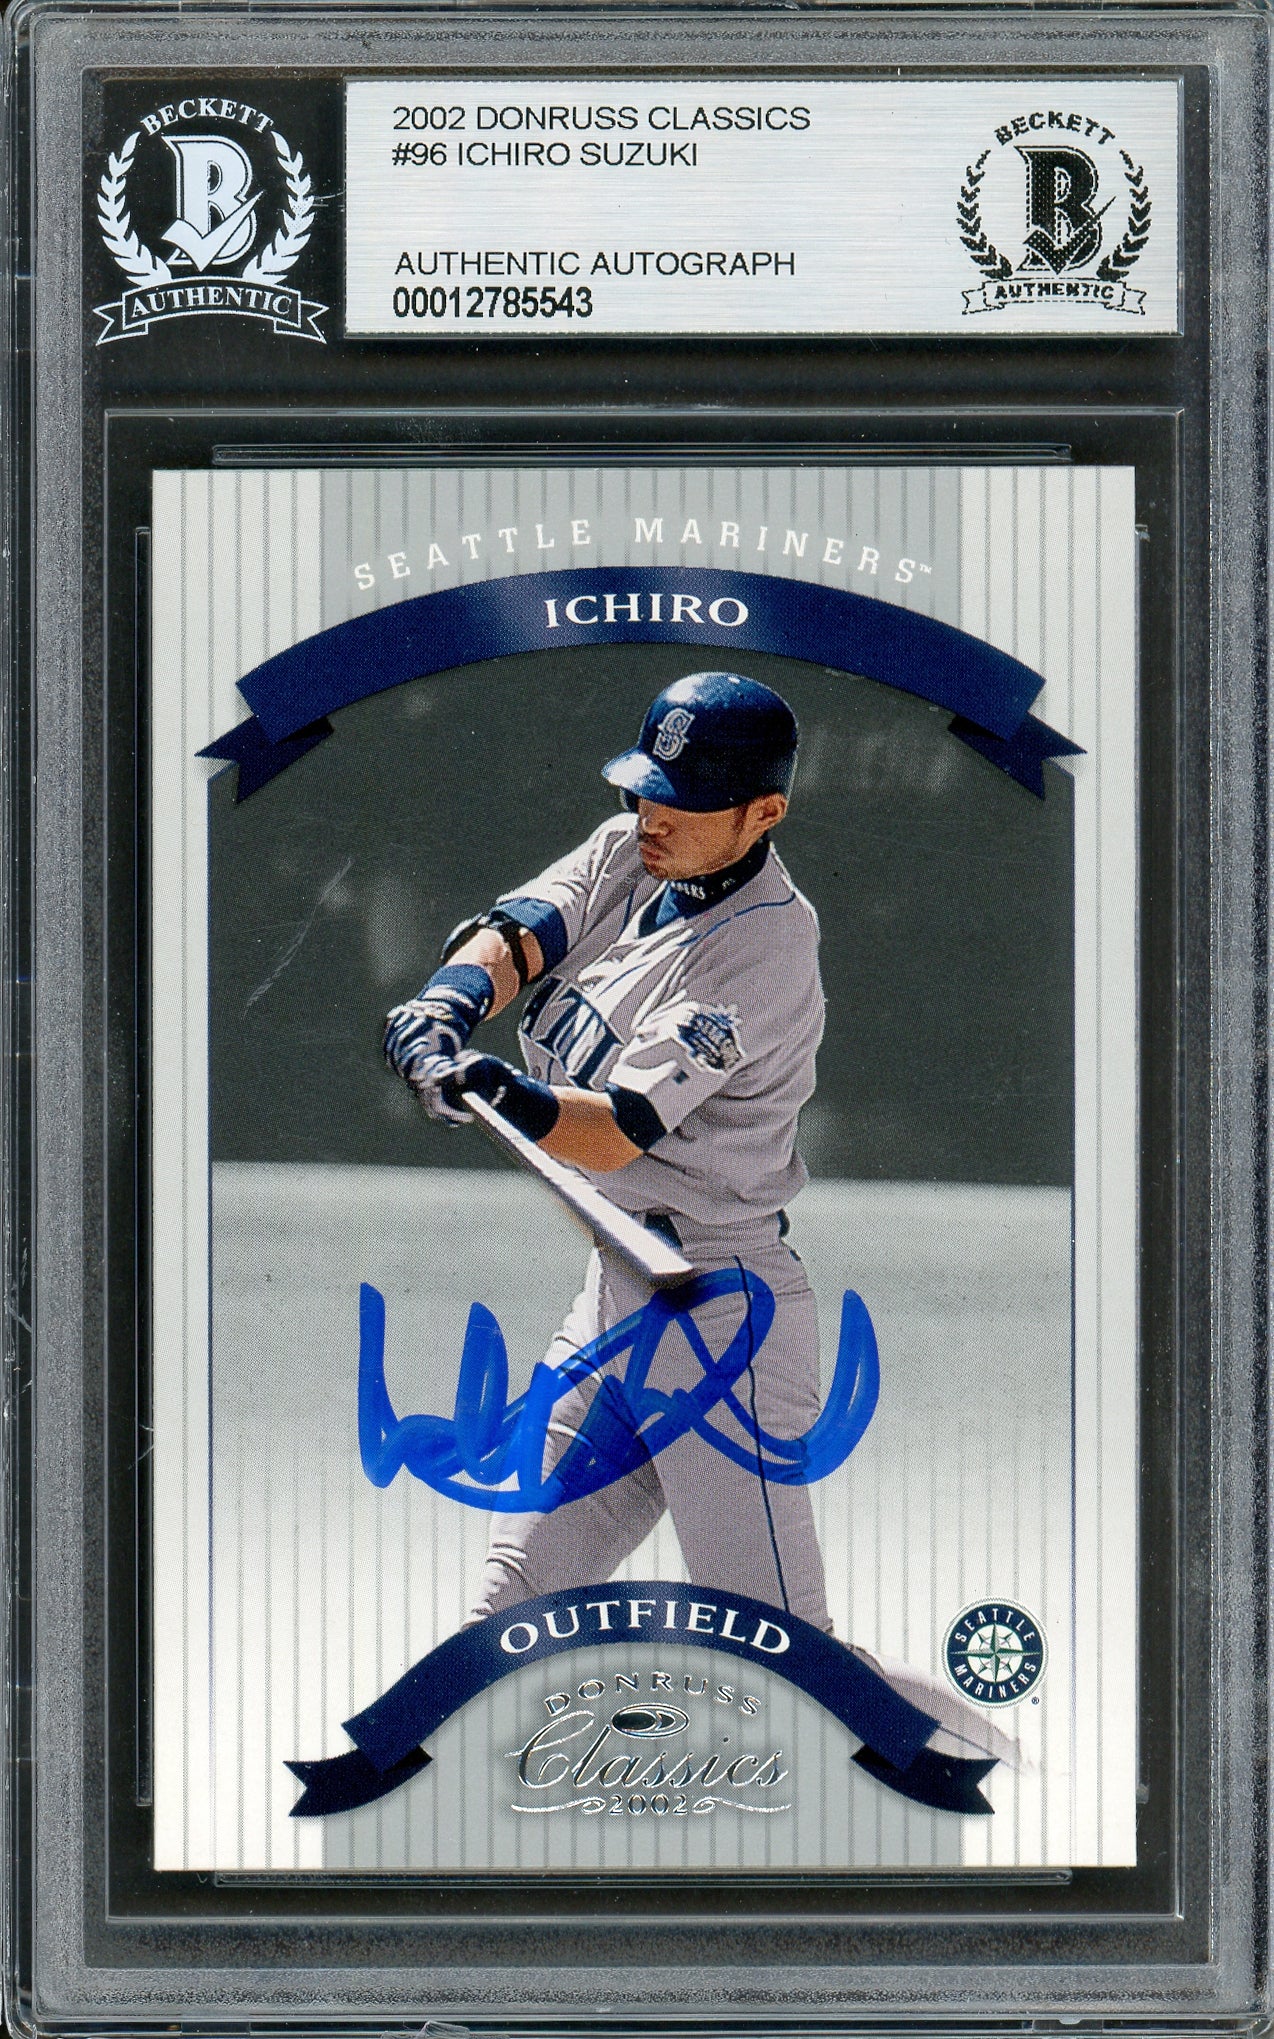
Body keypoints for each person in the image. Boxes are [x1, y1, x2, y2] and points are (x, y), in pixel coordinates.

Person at [382, 670, 832, 1631]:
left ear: (764, 813)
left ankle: (986, 1731)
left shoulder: (767, 945)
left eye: (684, 800)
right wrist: (447, 1005)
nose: (651, 815)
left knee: (782, 1653)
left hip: (719, 1315)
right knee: (510, 1607)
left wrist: (501, 1089)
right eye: (645, 789)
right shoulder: (635, 849)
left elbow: (619, 1129)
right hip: (616, 1292)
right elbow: (518, 934)